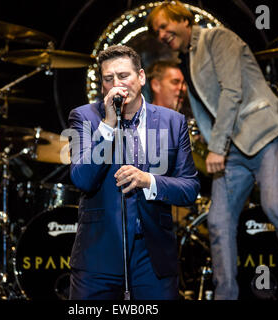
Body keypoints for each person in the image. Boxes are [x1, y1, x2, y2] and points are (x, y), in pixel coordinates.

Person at [147, 1, 278, 300]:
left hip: (263, 135)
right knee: (218, 220)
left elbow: (232, 92)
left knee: (275, 204)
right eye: (156, 31)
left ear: (185, 21)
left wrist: (216, 146)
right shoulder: (186, 58)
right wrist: (205, 140)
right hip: (233, 150)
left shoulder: (217, 38)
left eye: (165, 26)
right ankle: (226, 295)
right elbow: (206, 107)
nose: (161, 34)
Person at [67, 44, 200, 300]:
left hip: (152, 256)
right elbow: (83, 179)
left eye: (123, 76)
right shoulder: (84, 117)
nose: (117, 83)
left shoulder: (173, 122)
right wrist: (107, 125)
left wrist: (148, 180)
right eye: (109, 79)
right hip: (99, 254)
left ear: (141, 77)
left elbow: (189, 189)